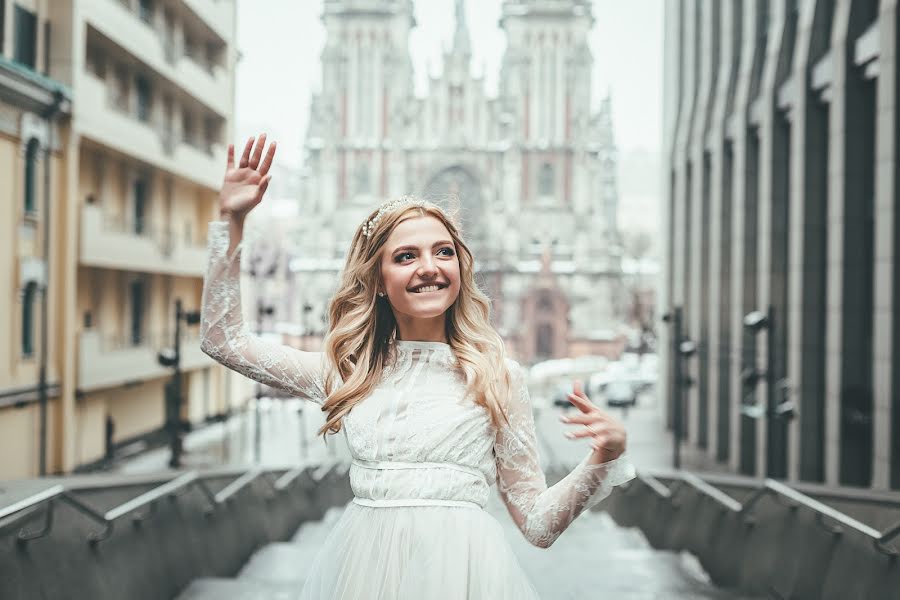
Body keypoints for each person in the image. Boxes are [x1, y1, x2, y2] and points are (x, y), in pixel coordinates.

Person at [200, 135, 636, 599]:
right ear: (380, 280)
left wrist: (602, 458)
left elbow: (537, 523)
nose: (429, 266)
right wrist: (231, 222)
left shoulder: (500, 377)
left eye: (443, 251)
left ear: (460, 269)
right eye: (406, 256)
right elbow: (223, 340)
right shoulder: (349, 371)